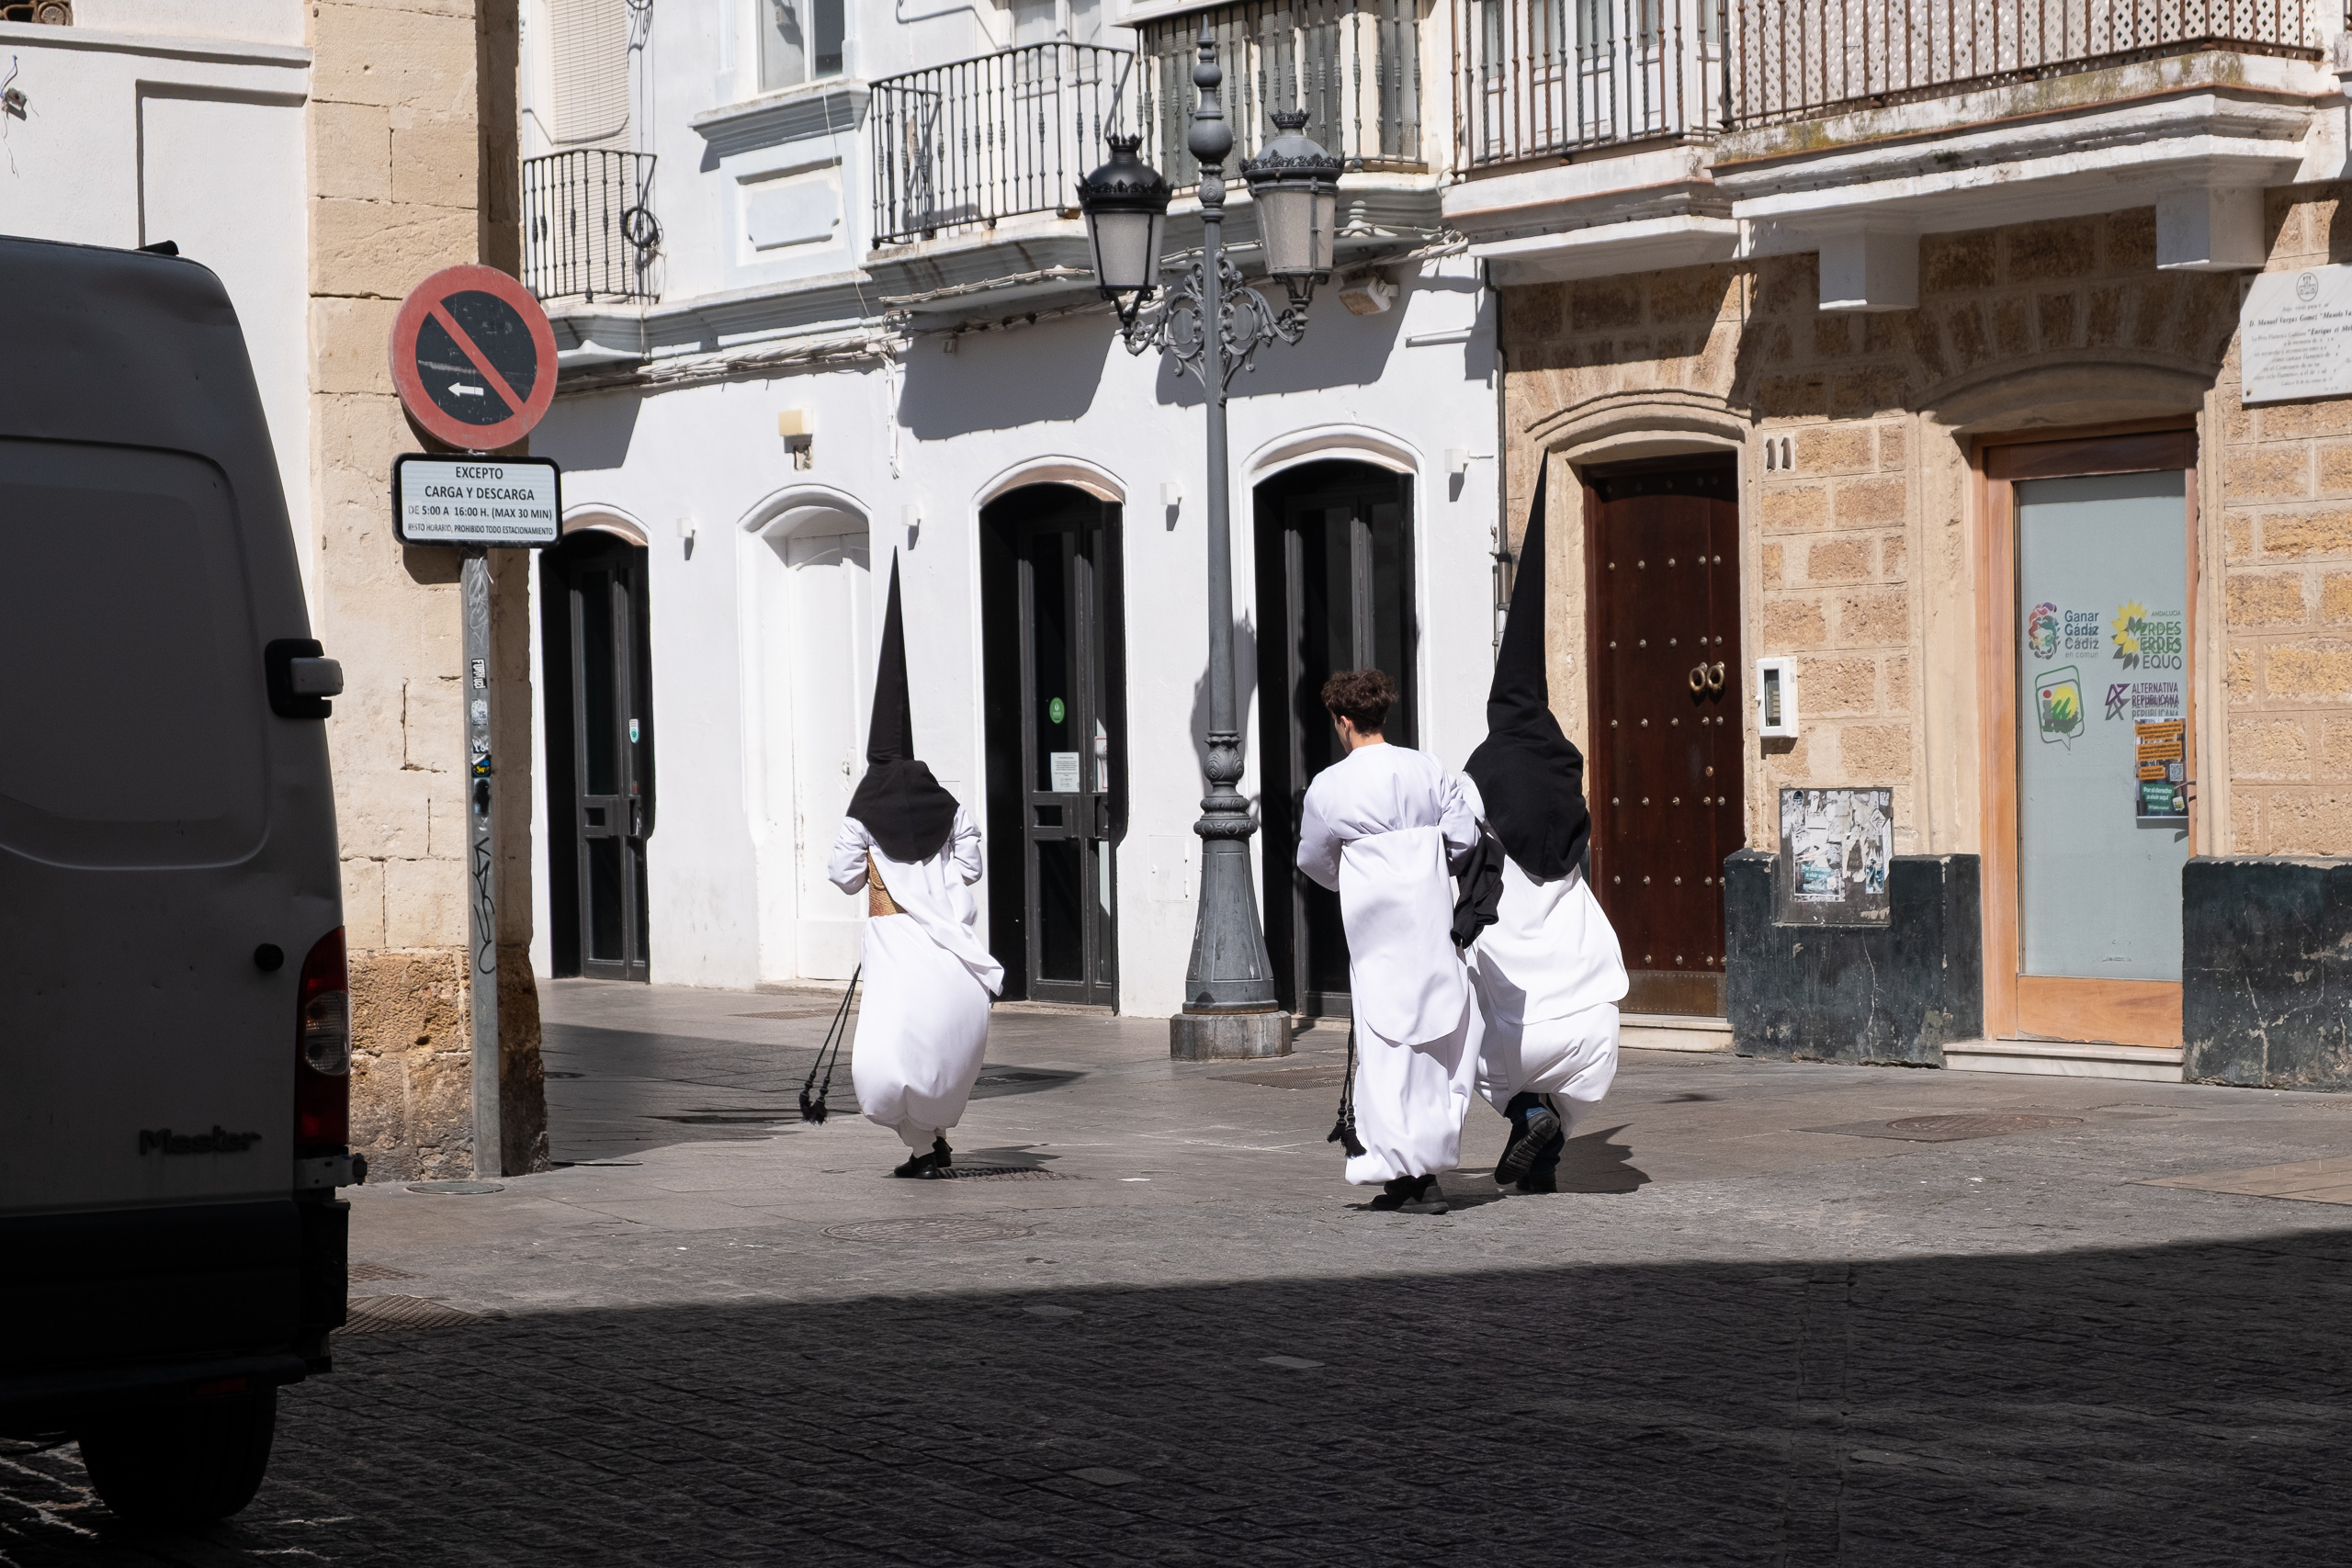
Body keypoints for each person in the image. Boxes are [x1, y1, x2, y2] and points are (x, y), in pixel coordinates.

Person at [1463, 464, 1629, 1194]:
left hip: (1514, 967)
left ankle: (1527, 1112)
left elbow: (1463, 856)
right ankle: (1546, 1147)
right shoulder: (1565, 767)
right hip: (1577, 967)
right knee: (1579, 1050)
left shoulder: (1483, 766)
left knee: (1474, 1039)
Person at [827, 557, 1005, 1178]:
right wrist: (946, 875)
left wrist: (875, 861)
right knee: (933, 1048)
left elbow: (841, 873)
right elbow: (974, 862)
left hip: (895, 942)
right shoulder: (947, 804)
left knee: (886, 1056)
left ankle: (925, 1147)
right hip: (948, 945)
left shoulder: (863, 810)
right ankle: (931, 1143)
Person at [1297, 668, 1483, 1216]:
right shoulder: (1427, 767)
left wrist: (1356, 878)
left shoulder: (1331, 785)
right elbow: (1465, 836)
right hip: (1430, 923)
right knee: (1435, 1046)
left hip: (1376, 931)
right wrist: (1422, 865)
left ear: (1345, 721)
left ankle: (1410, 1174)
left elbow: (1313, 858)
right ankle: (1417, 1170)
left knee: (1385, 1049)